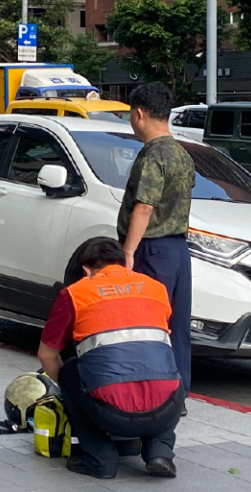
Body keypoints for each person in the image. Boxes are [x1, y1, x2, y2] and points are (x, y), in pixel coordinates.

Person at [38, 238, 183, 480]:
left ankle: (99, 459)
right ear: (124, 263)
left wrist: (69, 396)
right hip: (166, 409)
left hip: (111, 414)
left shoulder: (76, 293)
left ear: (86, 270)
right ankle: (160, 451)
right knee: (166, 369)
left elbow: (47, 354)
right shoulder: (156, 288)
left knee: (70, 371)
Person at [118, 83, 195, 404]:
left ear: (139, 115)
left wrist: (128, 251)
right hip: (179, 250)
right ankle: (177, 394)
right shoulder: (182, 153)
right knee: (176, 324)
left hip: (151, 249)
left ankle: (154, 393)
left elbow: (145, 206)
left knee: (148, 322)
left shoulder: (153, 155)